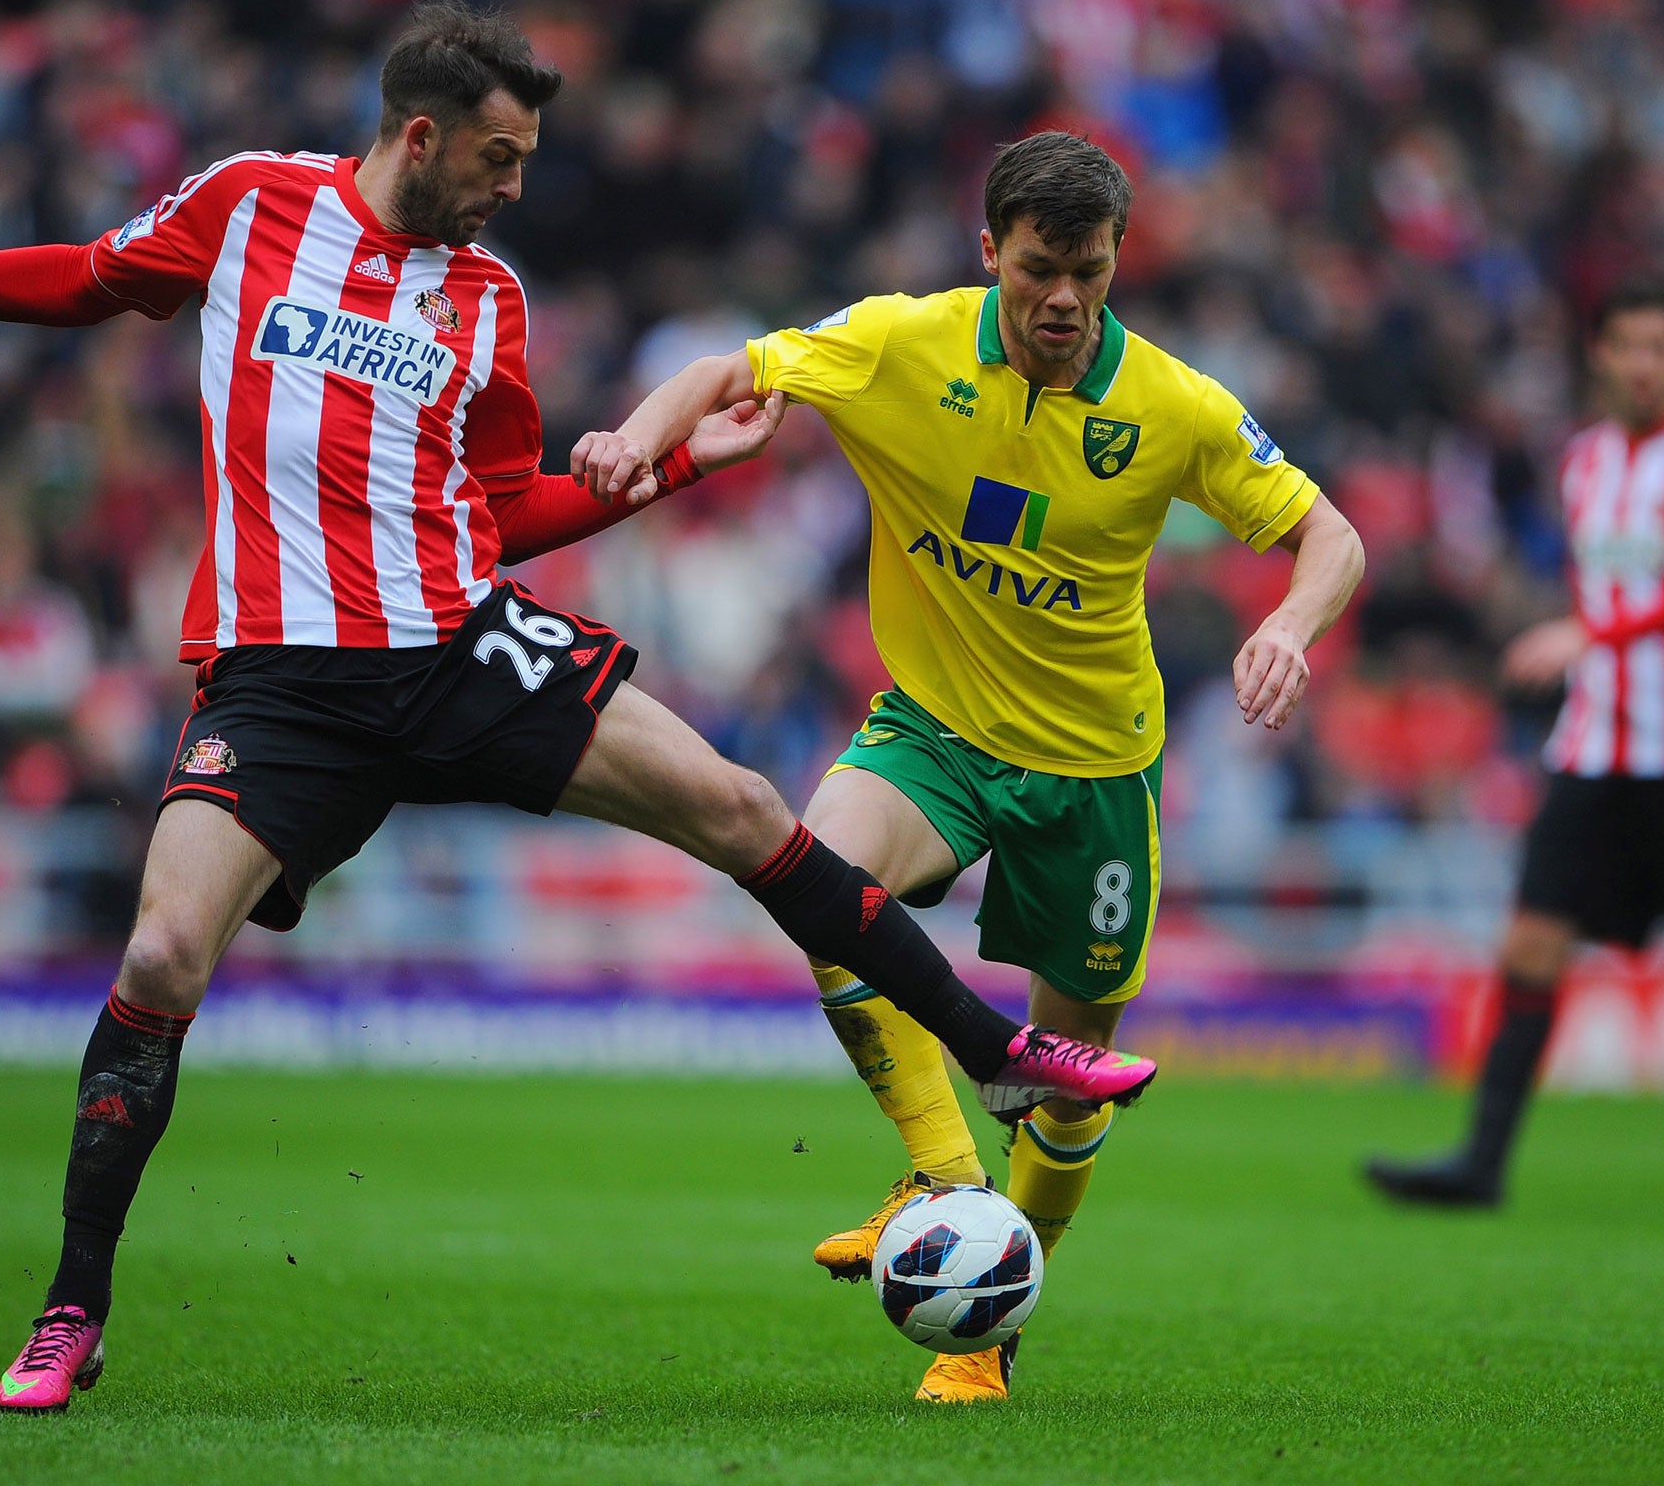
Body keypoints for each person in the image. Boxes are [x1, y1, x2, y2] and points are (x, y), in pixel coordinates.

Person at [0, 3, 1157, 1414]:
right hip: (282, 676)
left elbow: (499, 514)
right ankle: (74, 1308)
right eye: (500, 159)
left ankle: (1000, 1054)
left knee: (745, 809)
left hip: (458, 640)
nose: (514, 189)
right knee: (163, 951)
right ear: (422, 135)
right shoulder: (249, 207)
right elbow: (82, 279)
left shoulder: (486, 299)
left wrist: (680, 469)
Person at [576, 131, 1365, 1403]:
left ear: (1117, 262)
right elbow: (726, 367)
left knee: (1068, 1084)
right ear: (986, 248)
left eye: (1090, 273)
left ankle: (991, 1330)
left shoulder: (1172, 406)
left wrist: (1284, 623)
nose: (1063, 298)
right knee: (814, 876)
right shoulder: (901, 342)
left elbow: (1328, 534)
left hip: (1093, 769)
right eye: (1040, 268)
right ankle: (943, 1173)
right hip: (933, 729)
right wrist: (632, 434)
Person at [1366, 278, 1664, 1209]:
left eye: (1660, 347)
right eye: (1626, 345)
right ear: (1599, 353)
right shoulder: (1588, 460)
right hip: (1595, 745)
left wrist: (1591, 637)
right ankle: (1481, 1163)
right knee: (1530, 943)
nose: (1642, 364)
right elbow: (1605, 593)